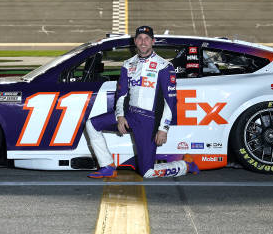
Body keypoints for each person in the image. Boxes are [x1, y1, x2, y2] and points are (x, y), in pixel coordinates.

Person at [85, 26, 199, 179]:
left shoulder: (164, 66)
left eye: (147, 39)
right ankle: (107, 166)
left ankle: (186, 165)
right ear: (135, 41)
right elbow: (121, 94)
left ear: (153, 41)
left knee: (147, 172)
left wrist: (163, 129)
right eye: (140, 38)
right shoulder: (128, 64)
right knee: (92, 124)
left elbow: (170, 101)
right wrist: (120, 116)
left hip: (149, 121)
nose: (143, 42)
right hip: (130, 115)